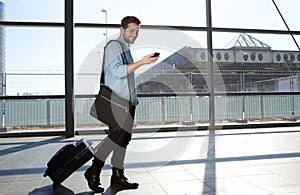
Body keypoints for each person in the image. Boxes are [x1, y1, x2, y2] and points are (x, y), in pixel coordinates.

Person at [84, 16, 160, 193]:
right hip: (116, 102)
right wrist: (141, 62)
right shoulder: (113, 46)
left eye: (137, 31)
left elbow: (127, 75)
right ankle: (93, 170)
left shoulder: (126, 50)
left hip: (127, 102)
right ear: (122, 29)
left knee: (123, 140)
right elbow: (118, 71)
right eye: (132, 30)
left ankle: (118, 177)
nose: (135, 34)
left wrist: (134, 99)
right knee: (117, 137)